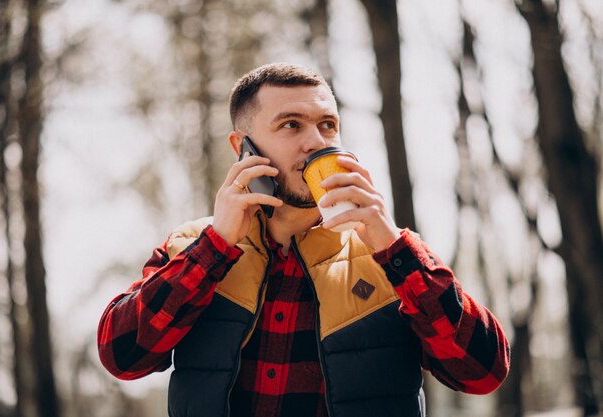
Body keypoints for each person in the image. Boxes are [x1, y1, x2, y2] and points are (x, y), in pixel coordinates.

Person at [97, 63, 510, 417]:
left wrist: (393, 248)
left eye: (328, 125)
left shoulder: (393, 256)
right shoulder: (190, 247)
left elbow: (483, 372)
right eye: (291, 125)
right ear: (243, 149)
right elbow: (123, 357)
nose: (317, 141)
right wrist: (215, 247)